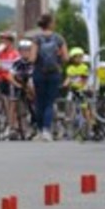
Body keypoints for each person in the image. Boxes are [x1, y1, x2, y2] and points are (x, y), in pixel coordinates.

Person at [30, 12, 67, 142]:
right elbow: (66, 57)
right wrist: (58, 59)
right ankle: (47, 130)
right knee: (49, 102)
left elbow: (32, 58)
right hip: (54, 73)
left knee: (39, 102)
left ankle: (40, 131)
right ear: (50, 23)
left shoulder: (36, 38)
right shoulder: (59, 38)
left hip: (39, 73)